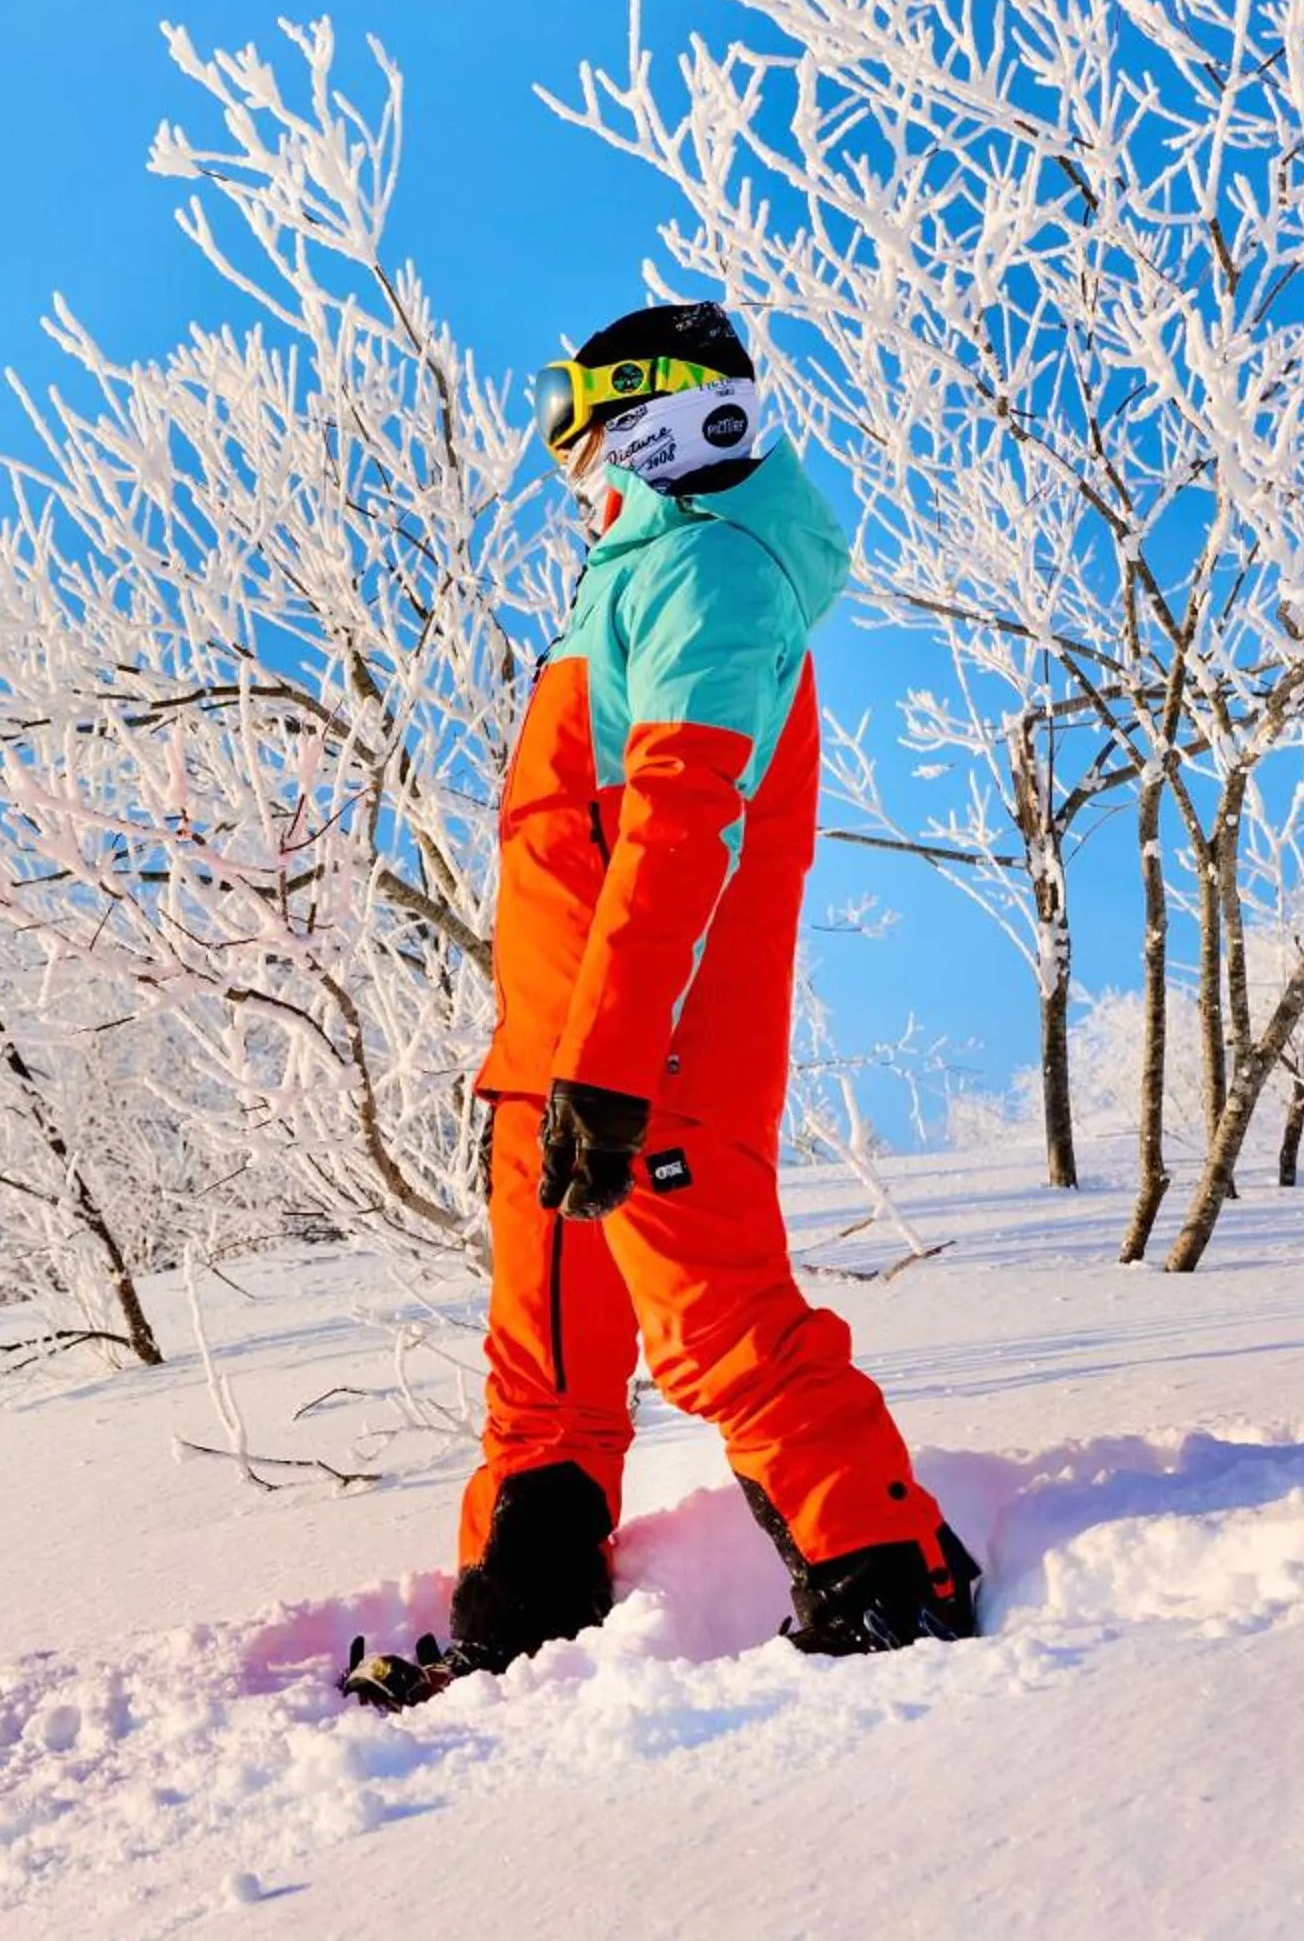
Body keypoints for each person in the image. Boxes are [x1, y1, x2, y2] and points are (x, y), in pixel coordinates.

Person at [346, 301, 978, 1710]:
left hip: (655, 1041)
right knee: (545, 1364)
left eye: (577, 414)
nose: (561, 450)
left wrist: (616, 1058)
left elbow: (683, 823)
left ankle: (886, 1573)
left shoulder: (715, 570)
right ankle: (524, 1616)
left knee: (719, 1326)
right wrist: (535, 1068)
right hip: (560, 1053)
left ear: (650, 414)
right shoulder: (627, 578)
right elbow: (569, 845)